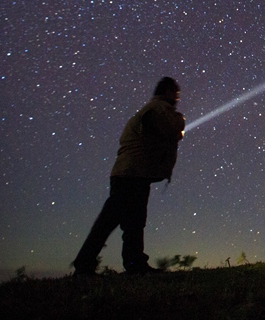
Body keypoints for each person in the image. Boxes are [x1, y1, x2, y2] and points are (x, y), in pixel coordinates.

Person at [72, 77, 185, 275]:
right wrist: (179, 124)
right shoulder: (158, 109)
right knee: (113, 220)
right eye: (176, 94)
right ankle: (86, 264)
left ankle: (133, 263)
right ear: (168, 91)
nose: (177, 99)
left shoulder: (150, 109)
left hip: (131, 173)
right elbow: (168, 129)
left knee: (132, 221)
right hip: (132, 174)